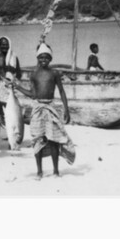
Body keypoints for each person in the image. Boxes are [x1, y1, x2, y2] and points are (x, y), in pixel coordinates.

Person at [26, 42, 76, 179]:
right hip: (38, 108)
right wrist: (16, 86)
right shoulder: (33, 74)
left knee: (54, 140)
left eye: (46, 57)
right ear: (37, 58)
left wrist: (66, 109)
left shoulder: (54, 73)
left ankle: (55, 171)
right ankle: (39, 172)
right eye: (41, 57)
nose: (44, 60)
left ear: (51, 59)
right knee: (38, 140)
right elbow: (32, 94)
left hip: (50, 108)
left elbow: (61, 91)